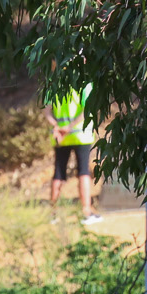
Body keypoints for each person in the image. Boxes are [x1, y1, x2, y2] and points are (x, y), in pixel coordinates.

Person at [48, 84, 98, 225]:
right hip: (80, 134)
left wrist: (57, 126)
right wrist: (69, 127)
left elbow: (46, 110)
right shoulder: (84, 83)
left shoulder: (54, 82)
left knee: (58, 172)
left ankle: (53, 213)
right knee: (83, 171)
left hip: (60, 136)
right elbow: (87, 108)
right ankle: (86, 212)